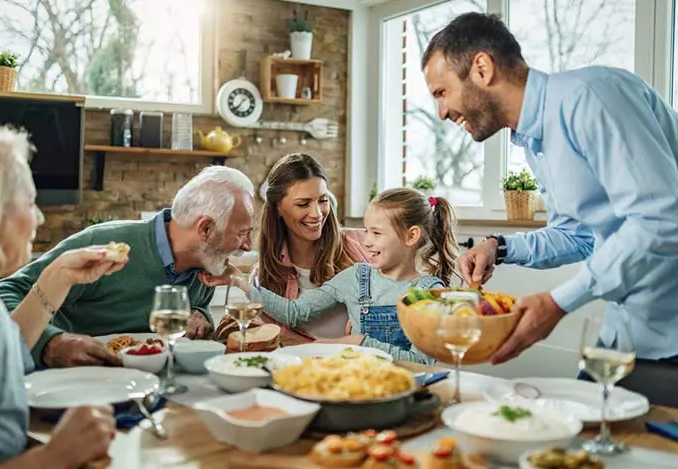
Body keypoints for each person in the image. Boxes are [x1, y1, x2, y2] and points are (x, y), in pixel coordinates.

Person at [421, 13, 678, 405]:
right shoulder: (535, 139)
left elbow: (662, 220)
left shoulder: (593, 96)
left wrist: (559, 302)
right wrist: (499, 247)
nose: (441, 113)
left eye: (441, 93)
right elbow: (578, 235)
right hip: (627, 334)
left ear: (482, 68)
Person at [0, 121, 117, 469]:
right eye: (31, 202)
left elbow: (2, 358)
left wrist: (59, 276)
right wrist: (57, 455)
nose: (40, 218)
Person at [0, 165, 255, 368]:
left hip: (142, 388)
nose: (247, 246)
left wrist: (201, 317)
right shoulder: (105, 243)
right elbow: (1, 294)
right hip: (65, 384)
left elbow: (198, 312)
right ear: (205, 229)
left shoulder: (207, 265)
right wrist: (50, 342)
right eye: (243, 233)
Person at [206, 188, 459, 364]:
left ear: (411, 236)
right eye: (366, 231)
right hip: (353, 382)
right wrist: (241, 282)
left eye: (377, 233)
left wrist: (360, 342)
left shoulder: (428, 292)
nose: (367, 242)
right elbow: (295, 313)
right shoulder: (356, 277)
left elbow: (421, 361)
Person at [250, 153, 370, 342]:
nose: (317, 213)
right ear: (277, 209)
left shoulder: (364, 244)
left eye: (323, 200)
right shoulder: (264, 276)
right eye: (303, 204)